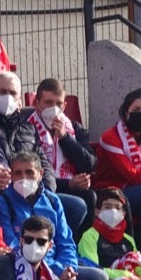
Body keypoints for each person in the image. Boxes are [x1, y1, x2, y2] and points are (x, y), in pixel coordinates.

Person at [0, 150, 110, 280]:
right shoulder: (1, 202)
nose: (23, 178)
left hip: (60, 269)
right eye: (17, 173)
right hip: (25, 268)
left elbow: (65, 241)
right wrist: (56, 270)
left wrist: (68, 269)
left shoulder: (52, 200)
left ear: (41, 174)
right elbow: (12, 245)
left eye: (29, 172)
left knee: (99, 278)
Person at [28, 77, 97, 222]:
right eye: (48, 103)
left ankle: (80, 244)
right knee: (78, 205)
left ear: (64, 106)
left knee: (91, 196)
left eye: (58, 103)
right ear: (37, 103)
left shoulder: (74, 128)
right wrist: (69, 184)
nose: (54, 108)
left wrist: (65, 138)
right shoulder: (27, 128)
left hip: (70, 185)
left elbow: (90, 164)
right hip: (43, 187)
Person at [92, 88, 141, 215]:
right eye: (136, 110)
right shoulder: (111, 137)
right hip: (111, 193)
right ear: (126, 113)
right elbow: (132, 176)